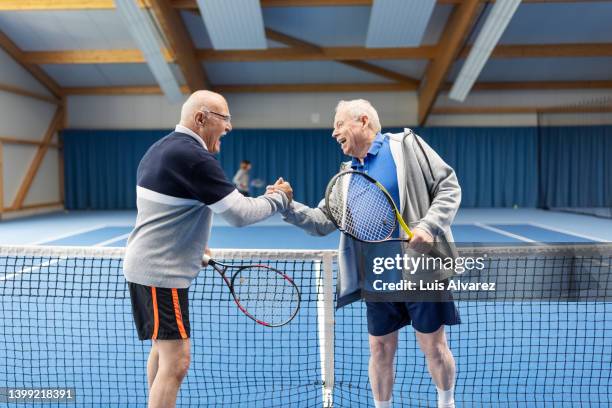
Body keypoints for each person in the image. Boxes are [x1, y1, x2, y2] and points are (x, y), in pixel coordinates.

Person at [271, 99, 461, 408]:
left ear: (362, 121)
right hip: (377, 278)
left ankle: (446, 403)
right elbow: (322, 222)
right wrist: (287, 206)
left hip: (421, 272)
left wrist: (429, 227)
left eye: (339, 125)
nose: (334, 133)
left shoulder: (407, 145)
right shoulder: (346, 175)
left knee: (433, 347)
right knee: (380, 350)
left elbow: (448, 187)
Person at [123, 90, 292, 408]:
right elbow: (240, 214)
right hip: (161, 275)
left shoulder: (160, 149)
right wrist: (279, 198)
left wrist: (191, 249)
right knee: (177, 361)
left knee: (163, 351)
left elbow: (165, 215)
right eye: (224, 119)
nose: (229, 127)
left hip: (147, 267)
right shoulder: (194, 157)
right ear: (201, 118)